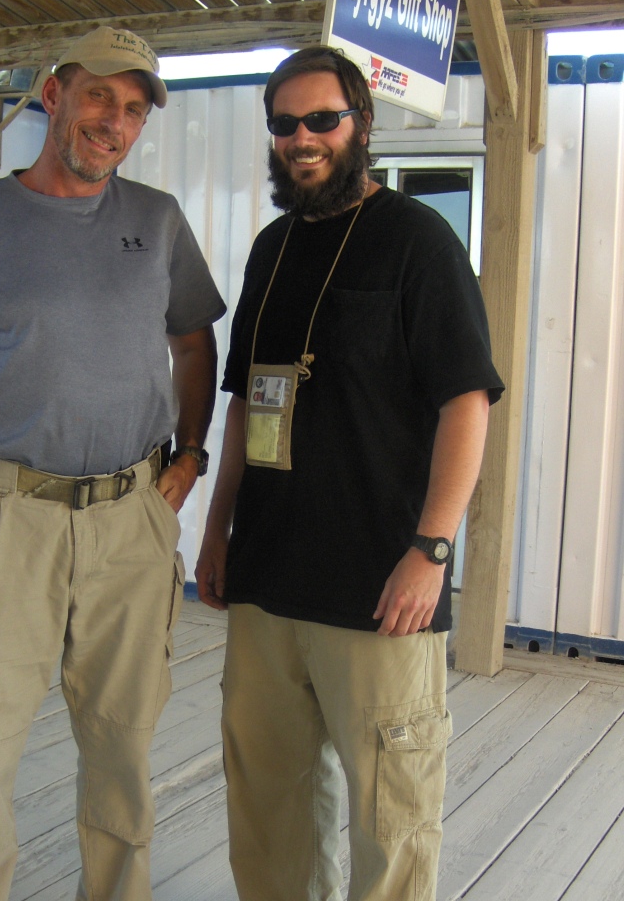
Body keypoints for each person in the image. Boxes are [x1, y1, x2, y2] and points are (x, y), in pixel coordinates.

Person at [0, 26, 226, 901]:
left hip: (131, 523)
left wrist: (191, 455)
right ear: (52, 93)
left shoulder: (158, 221)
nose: (117, 121)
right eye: (102, 96)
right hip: (6, 518)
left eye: (136, 108)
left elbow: (195, 340)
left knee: (123, 748)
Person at [196, 46, 504, 901]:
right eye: (285, 124)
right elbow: (243, 403)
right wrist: (217, 530)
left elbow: (466, 401)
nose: (303, 139)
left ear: (361, 125)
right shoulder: (271, 248)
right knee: (265, 807)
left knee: (391, 819)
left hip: (381, 587)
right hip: (264, 580)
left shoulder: (419, 241)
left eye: (322, 120)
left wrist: (431, 550)